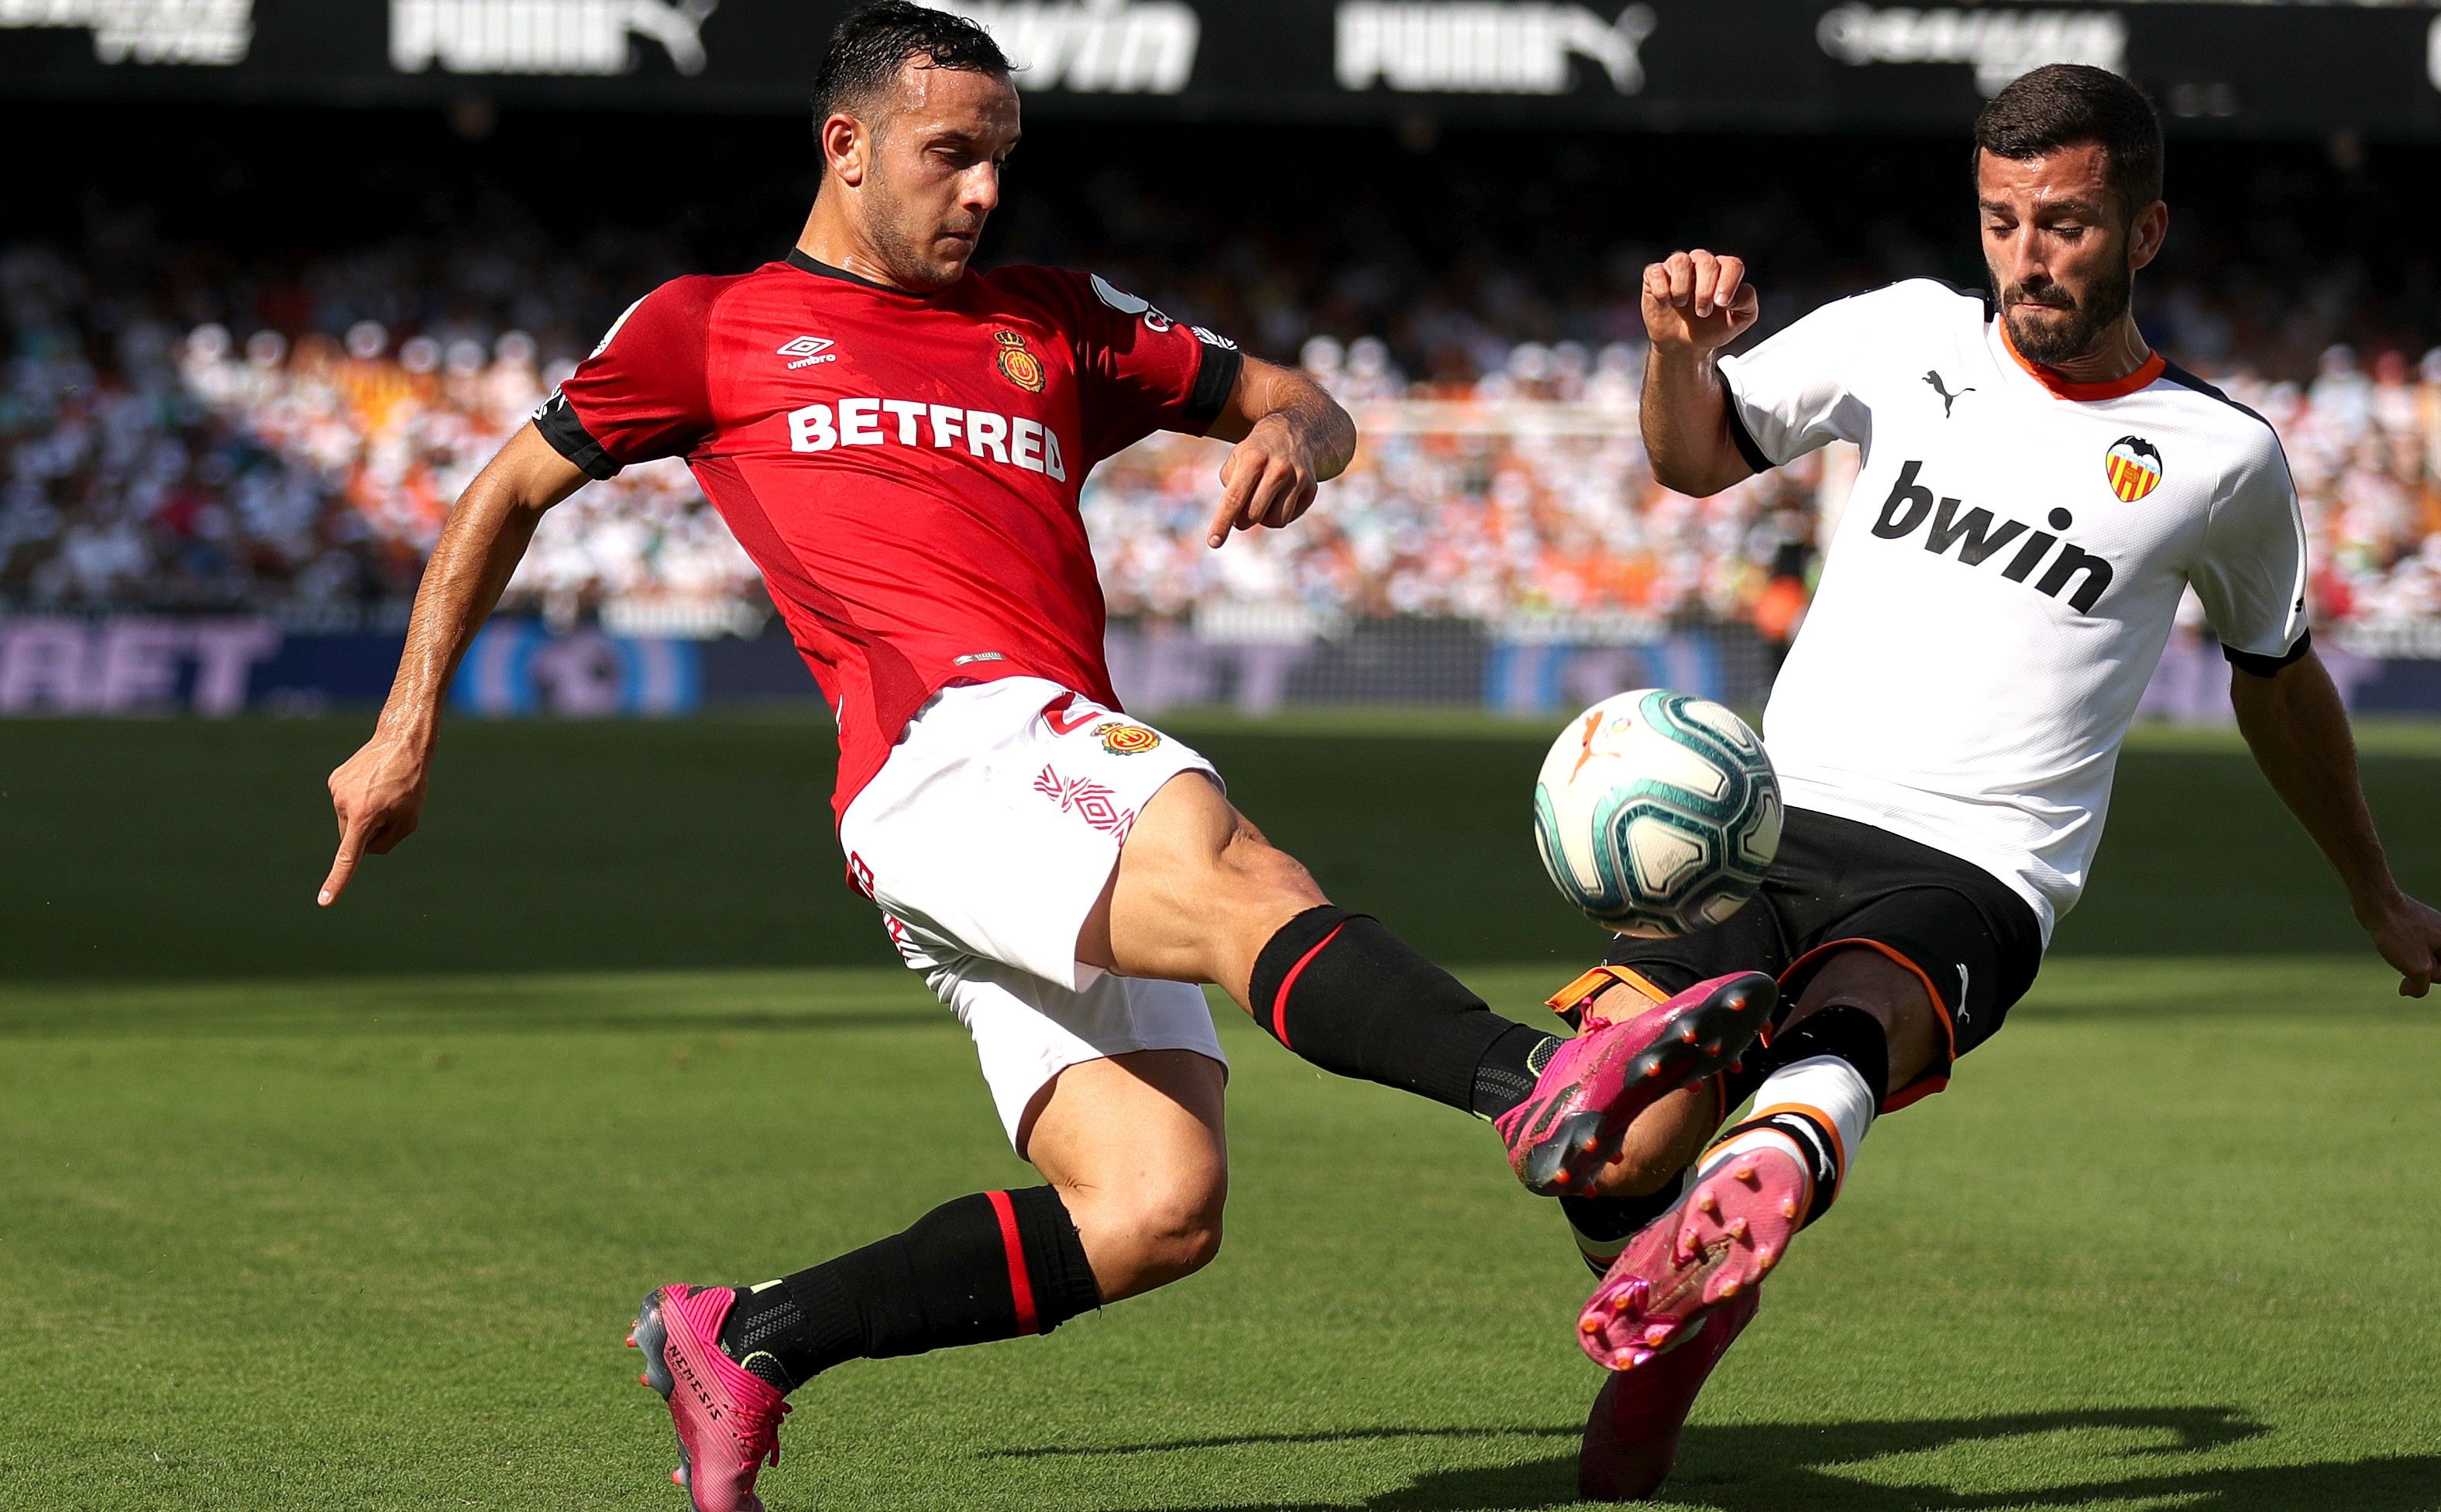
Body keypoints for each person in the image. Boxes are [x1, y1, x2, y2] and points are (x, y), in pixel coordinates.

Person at [313, 5, 1769, 1508]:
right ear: (846, 144)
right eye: (951, 154)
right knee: (1233, 870)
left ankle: (744, 1336)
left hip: (1015, 781)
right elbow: (507, 487)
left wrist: (1296, 444)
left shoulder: (1056, 319)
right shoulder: (710, 325)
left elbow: (1300, 396)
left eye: (1000, 159)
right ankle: (1536, 1079)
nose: (983, 190)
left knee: (1154, 1208)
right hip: (950, 749)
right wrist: (406, 724)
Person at [1552, 64, 2441, 1500]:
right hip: (1764, 821)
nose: (2027, 260)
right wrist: (1674, 348)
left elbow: (2276, 677)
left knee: (1843, 1029)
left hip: (1978, 867)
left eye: (2066, 225)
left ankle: (1779, 1164)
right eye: (1999, 221)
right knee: (1606, 1151)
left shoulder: (2221, 459)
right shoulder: (1901, 333)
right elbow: (1689, 459)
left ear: (2144, 233)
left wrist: (2374, 889)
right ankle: (1687, 1312)